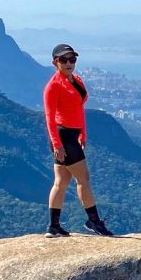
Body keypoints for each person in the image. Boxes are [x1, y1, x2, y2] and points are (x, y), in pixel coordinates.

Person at [43, 43, 114, 237]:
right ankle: (93, 221)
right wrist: (57, 144)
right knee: (83, 179)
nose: (69, 63)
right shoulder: (53, 86)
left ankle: (53, 226)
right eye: (63, 60)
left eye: (72, 59)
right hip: (63, 136)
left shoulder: (76, 80)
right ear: (55, 62)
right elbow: (49, 117)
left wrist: (83, 132)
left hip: (72, 135)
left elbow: (78, 108)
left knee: (61, 181)